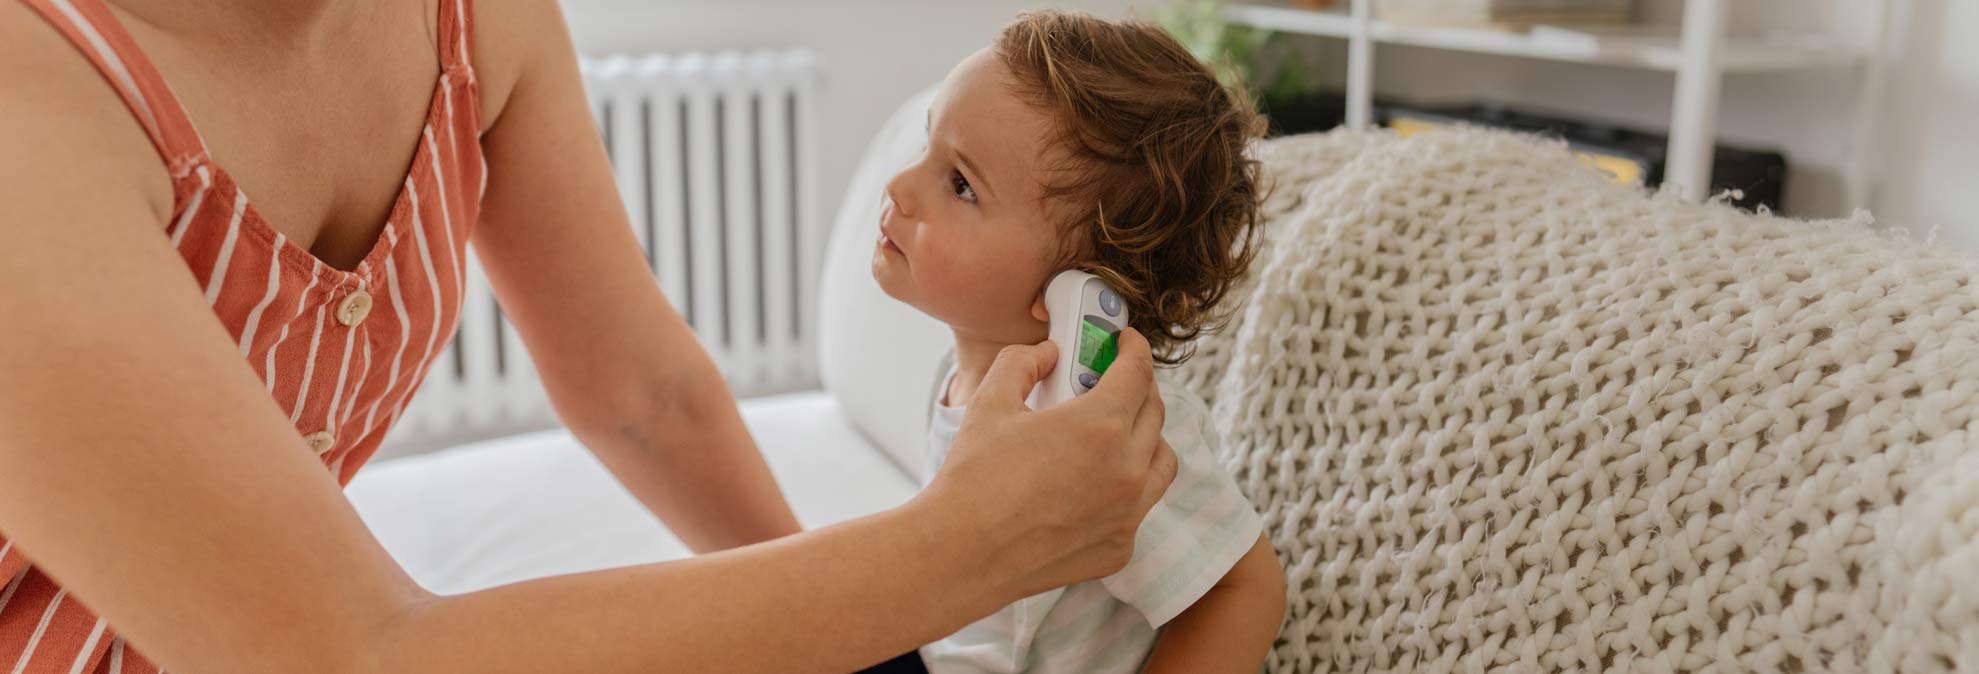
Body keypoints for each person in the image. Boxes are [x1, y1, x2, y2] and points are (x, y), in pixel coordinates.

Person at [0, 0, 1177, 672]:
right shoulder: (33, 96)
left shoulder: (468, 22)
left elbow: (644, 397)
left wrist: (864, 650)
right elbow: (352, 655)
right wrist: (959, 546)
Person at [865, 11, 1284, 674]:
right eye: (926, 148)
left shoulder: (1111, 436)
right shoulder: (960, 372)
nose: (898, 186)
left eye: (961, 185)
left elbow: (1245, 591)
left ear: (1079, 288)